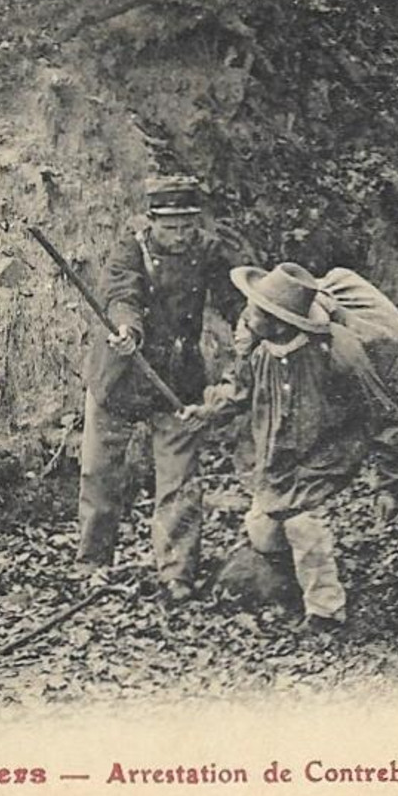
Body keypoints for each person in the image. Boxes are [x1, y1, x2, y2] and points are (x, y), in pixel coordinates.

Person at [182, 262, 398, 631]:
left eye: (258, 311)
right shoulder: (260, 351)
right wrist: (208, 410)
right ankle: (289, 582)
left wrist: (391, 484)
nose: (247, 316)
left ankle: (326, 611)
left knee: (303, 525)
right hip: (277, 456)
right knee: (262, 527)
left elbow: (384, 416)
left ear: (280, 321)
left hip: (326, 453)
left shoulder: (338, 353)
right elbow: (239, 391)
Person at [77, 174, 243, 600]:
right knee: (100, 472)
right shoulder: (130, 249)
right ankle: (95, 563)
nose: (181, 235)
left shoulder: (208, 251)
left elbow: (233, 301)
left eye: (188, 225)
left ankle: (177, 573)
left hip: (177, 378)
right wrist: (127, 328)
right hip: (122, 374)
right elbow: (121, 293)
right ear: (151, 222)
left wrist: (250, 330)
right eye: (171, 227)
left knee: (180, 478)